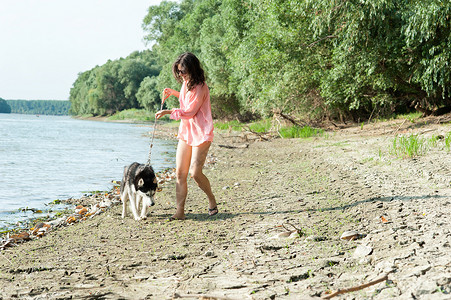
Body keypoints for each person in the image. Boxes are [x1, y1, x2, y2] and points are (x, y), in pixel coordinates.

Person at [155, 52, 217, 221]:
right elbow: (186, 100)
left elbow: (190, 111)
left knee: (195, 173)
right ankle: (180, 211)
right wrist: (173, 93)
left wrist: (168, 112)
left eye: (184, 71)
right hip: (186, 132)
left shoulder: (202, 86)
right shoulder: (185, 83)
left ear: (193, 69)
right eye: (179, 71)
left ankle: (211, 198)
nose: (181, 75)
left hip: (202, 132)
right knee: (180, 173)